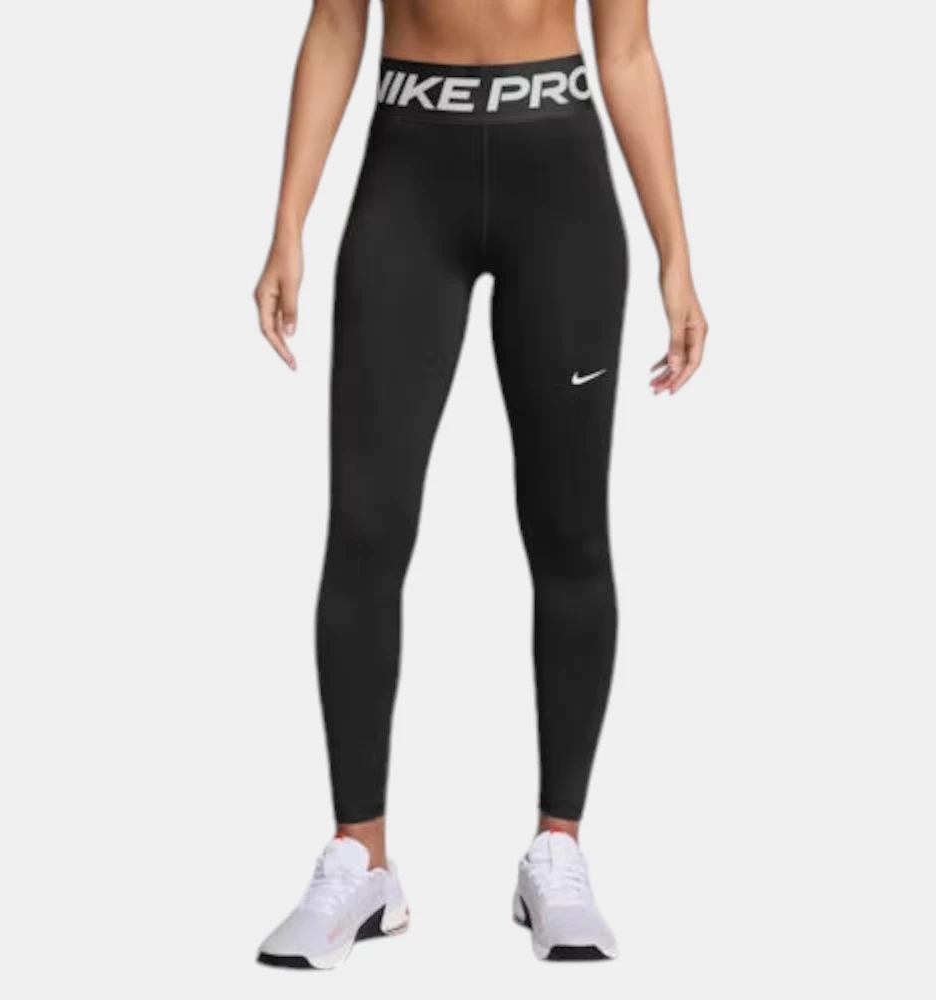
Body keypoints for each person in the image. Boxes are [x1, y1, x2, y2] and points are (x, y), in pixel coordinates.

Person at [253, 0, 708, 969]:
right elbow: (335, 24)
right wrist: (288, 220)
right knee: (366, 526)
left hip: (561, 182)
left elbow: (627, 51)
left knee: (569, 530)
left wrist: (676, 252)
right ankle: (360, 858)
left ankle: (558, 849)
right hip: (407, 173)